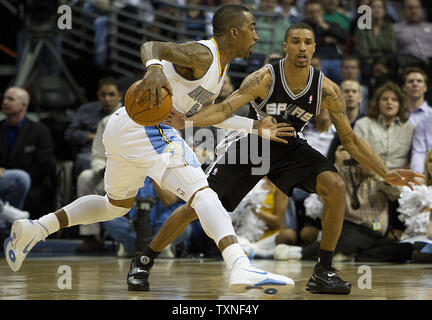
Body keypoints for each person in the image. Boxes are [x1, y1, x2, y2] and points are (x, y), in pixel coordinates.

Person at [4, 5, 295, 296]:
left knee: (115, 205)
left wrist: (255, 127)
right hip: (146, 126)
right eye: (252, 27)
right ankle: (239, 264)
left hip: (124, 126)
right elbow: (151, 46)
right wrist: (154, 68)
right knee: (203, 194)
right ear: (234, 32)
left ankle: (36, 228)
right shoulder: (203, 54)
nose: (256, 36)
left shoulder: (221, 67)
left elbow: (213, 113)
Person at [132, 23, 424, 295]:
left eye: (307, 42)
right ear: (286, 46)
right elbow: (224, 110)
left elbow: (350, 138)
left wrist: (385, 173)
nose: (301, 47)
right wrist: (188, 121)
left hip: (289, 145)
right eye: (295, 42)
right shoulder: (264, 78)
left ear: (314, 48)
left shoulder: (327, 89)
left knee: (335, 185)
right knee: (198, 204)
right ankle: (145, 259)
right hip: (255, 143)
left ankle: (323, 270)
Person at [274, 144, 414, 263]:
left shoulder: (382, 174)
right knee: (349, 238)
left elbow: (396, 194)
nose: (364, 161)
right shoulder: (344, 172)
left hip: (375, 234)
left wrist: (375, 173)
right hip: (350, 228)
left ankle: (353, 256)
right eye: (361, 156)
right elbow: (324, 196)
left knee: (404, 250)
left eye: (368, 157)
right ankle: (301, 253)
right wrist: (337, 165)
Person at [0, 87, 56, 219]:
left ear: (23, 105)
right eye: (4, 99)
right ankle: (8, 224)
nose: (5, 102)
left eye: (10, 99)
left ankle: (7, 225)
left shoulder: (40, 131)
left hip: (32, 182)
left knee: (22, 179)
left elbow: (44, 164)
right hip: (2, 180)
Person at [64, 76, 123, 177]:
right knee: (87, 165)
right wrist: (93, 137)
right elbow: (69, 134)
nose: (107, 99)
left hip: (118, 153)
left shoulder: (127, 114)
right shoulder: (86, 110)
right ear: (98, 95)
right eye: (103, 95)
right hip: (90, 152)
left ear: (120, 96)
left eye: (111, 95)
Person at [303, 0, 347, 84]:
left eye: (317, 12)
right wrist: (325, 40)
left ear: (322, 12)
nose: (314, 15)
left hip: (336, 59)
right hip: (316, 59)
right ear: (306, 14)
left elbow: (344, 38)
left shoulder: (330, 24)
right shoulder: (303, 26)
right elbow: (306, 43)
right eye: (311, 12)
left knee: (347, 72)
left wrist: (325, 26)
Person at [353, 0, 396, 78]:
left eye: (380, 7)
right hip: (367, 64)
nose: (377, 10)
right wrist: (375, 65)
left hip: (386, 64)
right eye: (373, 7)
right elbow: (363, 53)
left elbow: (392, 50)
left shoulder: (390, 28)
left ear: (384, 11)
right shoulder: (362, 27)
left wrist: (382, 64)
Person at [327, 79, 365, 163]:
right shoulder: (329, 120)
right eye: (346, 91)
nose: (350, 94)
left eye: (354, 91)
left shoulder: (366, 123)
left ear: (360, 97)